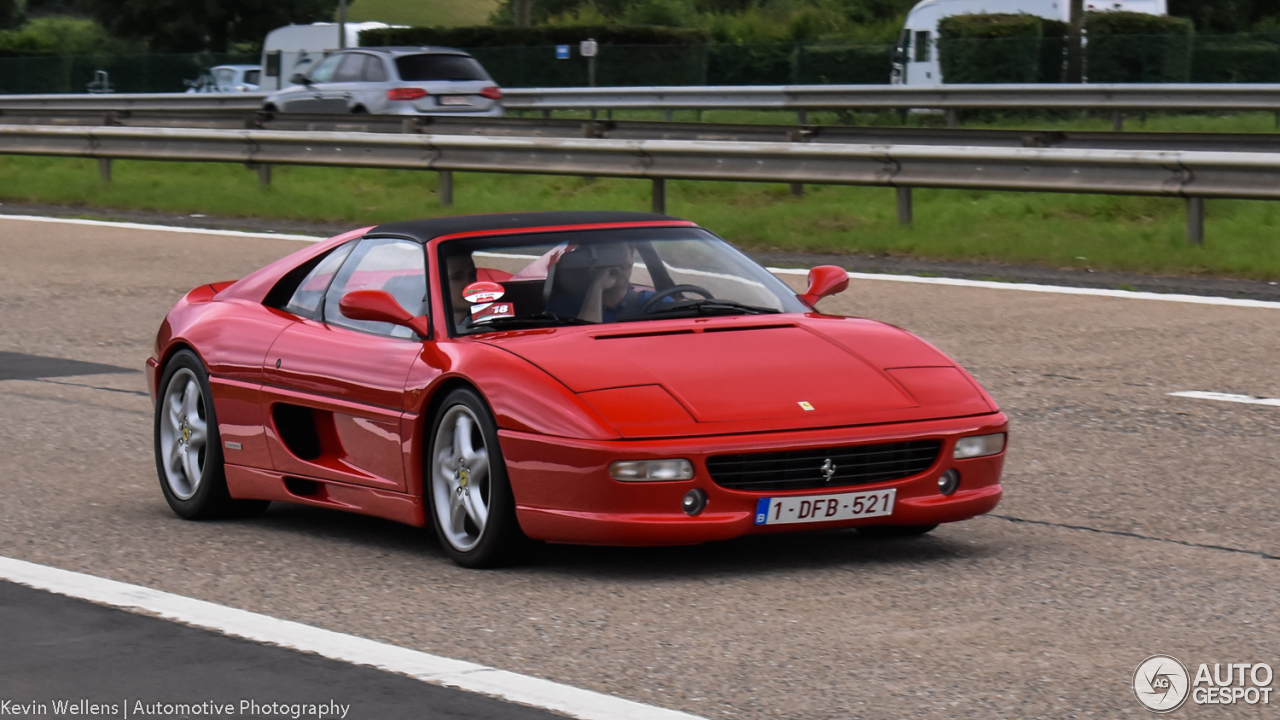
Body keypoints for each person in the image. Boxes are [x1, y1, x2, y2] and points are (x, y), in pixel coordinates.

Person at [544, 243, 654, 323]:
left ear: (632, 258)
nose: (616, 265)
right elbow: (583, 345)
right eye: (606, 256)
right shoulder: (562, 306)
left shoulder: (653, 303)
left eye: (622, 255)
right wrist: (597, 287)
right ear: (588, 263)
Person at [445, 252, 478, 330]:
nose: (468, 285)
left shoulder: (488, 329)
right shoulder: (420, 329)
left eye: (472, 275)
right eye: (456, 278)